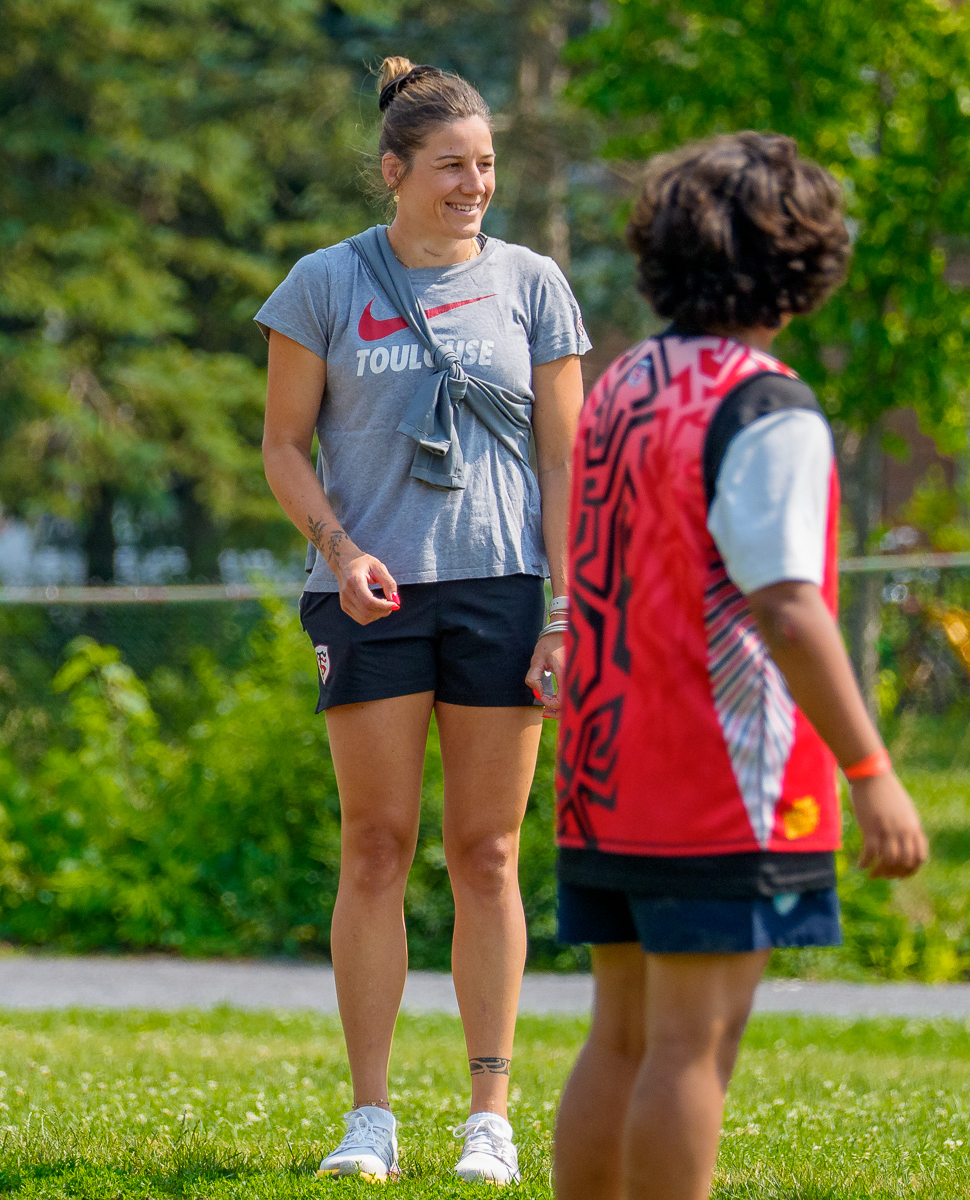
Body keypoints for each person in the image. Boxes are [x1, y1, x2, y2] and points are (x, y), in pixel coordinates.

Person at [549, 131, 929, 1200]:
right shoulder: (766, 405)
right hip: (717, 782)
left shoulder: (621, 383)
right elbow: (786, 604)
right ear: (802, 261)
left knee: (618, 1037)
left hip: (606, 768)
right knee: (690, 1046)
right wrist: (872, 771)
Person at [256, 55, 589, 1185]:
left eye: (486, 164)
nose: (474, 184)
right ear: (394, 172)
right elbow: (282, 445)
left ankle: (488, 1117)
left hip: (502, 590)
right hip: (370, 593)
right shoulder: (322, 283)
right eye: (451, 166)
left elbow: (565, 458)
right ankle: (370, 1117)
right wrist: (341, 553)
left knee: (487, 852)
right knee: (376, 846)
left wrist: (564, 608)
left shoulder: (534, 284)